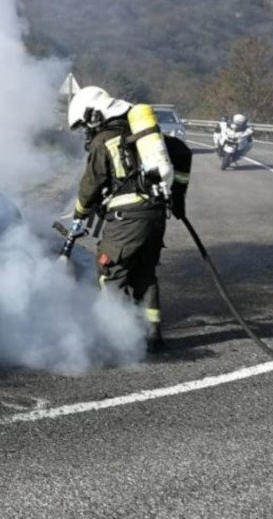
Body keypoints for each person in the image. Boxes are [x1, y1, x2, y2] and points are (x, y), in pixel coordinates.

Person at [66, 86, 192, 352]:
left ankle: (117, 341)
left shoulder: (104, 142)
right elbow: (182, 152)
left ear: (93, 115)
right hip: (155, 215)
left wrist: (79, 213)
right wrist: (178, 197)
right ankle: (152, 337)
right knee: (145, 275)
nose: (86, 132)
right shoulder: (144, 133)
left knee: (110, 274)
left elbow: (89, 187)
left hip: (126, 221)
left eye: (84, 125)